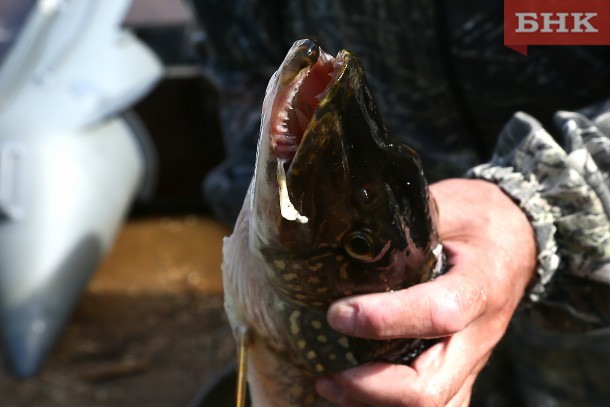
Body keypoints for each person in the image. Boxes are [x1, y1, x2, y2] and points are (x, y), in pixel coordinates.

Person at [190, 1, 610, 405]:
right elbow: (239, 51)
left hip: (591, 282)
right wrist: (251, 187)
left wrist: (547, 204)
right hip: (387, 197)